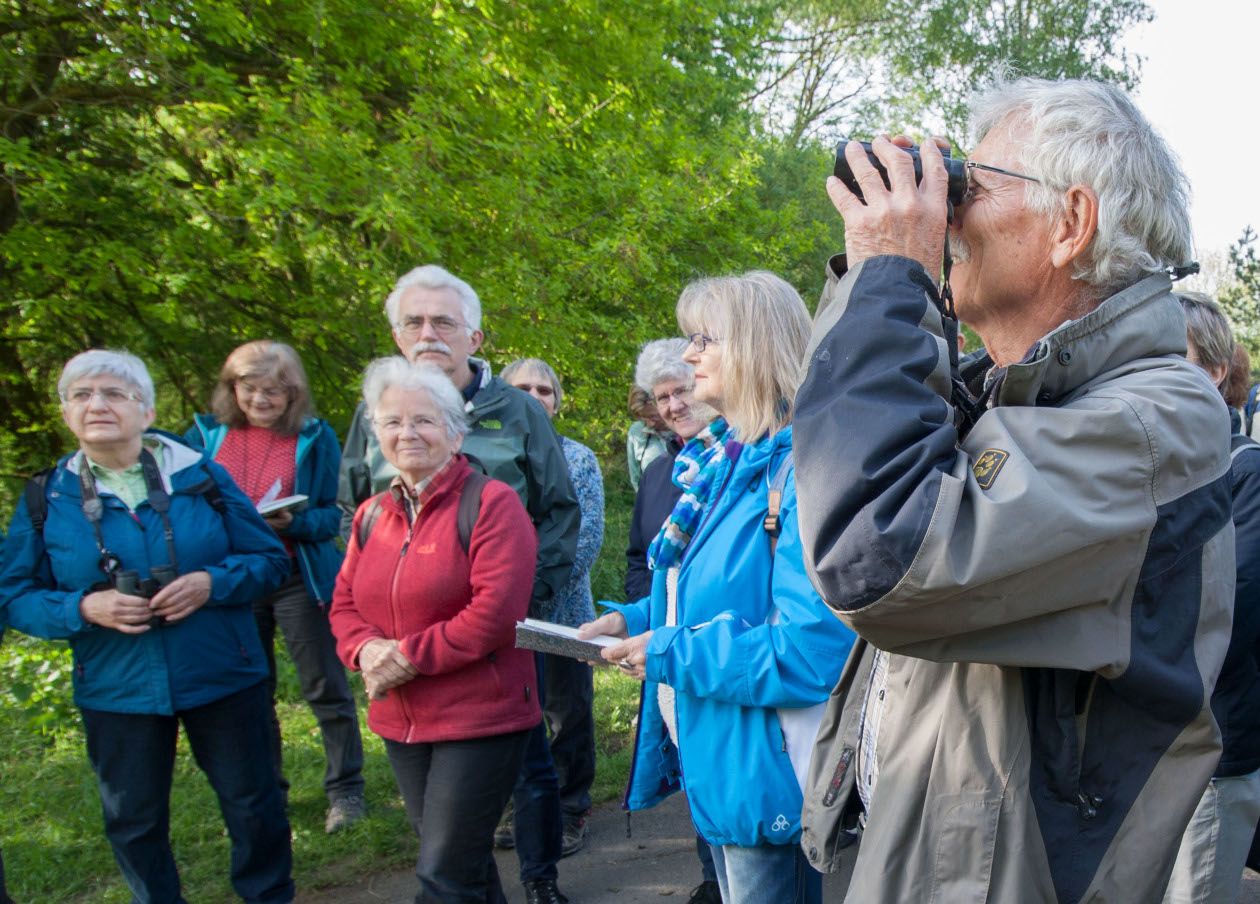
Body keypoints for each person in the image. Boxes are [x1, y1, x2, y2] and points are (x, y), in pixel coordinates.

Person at [793, 76, 1235, 903]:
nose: (948, 211)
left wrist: (893, 275)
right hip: (908, 859)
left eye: (972, 185)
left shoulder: (1150, 418)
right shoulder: (1005, 390)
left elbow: (876, 553)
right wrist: (883, 282)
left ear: (1070, 224)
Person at [579, 272, 856, 904]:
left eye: (706, 338)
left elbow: (810, 651)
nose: (689, 354)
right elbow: (722, 593)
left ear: (755, 346)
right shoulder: (728, 463)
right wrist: (635, 619)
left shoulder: (802, 469)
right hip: (724, 752)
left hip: (764, 766)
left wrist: (669, 649)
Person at [0, 349, 293, 904]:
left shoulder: (199, 475)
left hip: (222, 671)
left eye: (115, 393)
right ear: (65, 413)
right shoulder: (47, 497)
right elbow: (13, 595)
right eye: (82, 395)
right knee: (132, 820)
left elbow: (269, 559)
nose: (98, 405)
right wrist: (82, 610)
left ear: (147, 408)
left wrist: (212, 583)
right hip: (117, 685)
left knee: (254, 804)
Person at [335, 265, 576, 904]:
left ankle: (542, 878)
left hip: (489, 671)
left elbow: (557, 512)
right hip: (402, 701)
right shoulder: (373, 490)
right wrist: (368, 650)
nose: (428, 333)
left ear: (473, 333)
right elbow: (347, 578)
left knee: (449, 866)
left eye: (443, 321)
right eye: (414, 321)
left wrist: (517, 607)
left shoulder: (509, 437)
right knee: (459, 864)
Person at [185, 340, 367, 833]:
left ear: (293, 394)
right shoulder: (203, 438)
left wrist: (294, 521)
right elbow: (181, 511)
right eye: (250, 388)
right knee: (250, 690)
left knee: (323, 684)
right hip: (233, 580)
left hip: (294, 574)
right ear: (232, 388)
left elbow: (334, 513)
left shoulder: (314, 436)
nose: (261, 400)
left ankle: (346, 790)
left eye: (273, 390)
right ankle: (267, 792)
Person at [1162, 293, 1260, 904]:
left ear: (1215, 370)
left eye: (1170, 357)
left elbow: (1233, 611)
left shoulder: (1245, 471)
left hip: (1210, 753)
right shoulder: (1150, 463)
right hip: (1140, 750)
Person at [623, 337, 722, 904]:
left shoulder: (738, 457)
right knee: (690, 762)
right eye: (660, 397)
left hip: (716, 648)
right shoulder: (662, 474)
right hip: (668, 648)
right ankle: (712, 876)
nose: (672, 406)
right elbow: (643, 559)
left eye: (679, 390)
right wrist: (643, 615)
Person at [502, 358, 605, 856]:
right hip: (499, 618)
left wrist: (527, 588)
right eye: (523, 387)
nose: (536, 396)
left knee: (568, 713)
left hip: (564, 614)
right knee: (512, 712)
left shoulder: (578, 458)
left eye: (545, 389)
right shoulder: (485, 455)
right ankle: (519, 808)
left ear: (557, 401)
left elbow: (583, 540)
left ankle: (569, 810)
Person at [625, 385, 671, 491]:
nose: (650, 424)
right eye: (643, 417)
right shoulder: (636, 432)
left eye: (653, 416)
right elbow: (636, 479)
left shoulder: (686, 429)